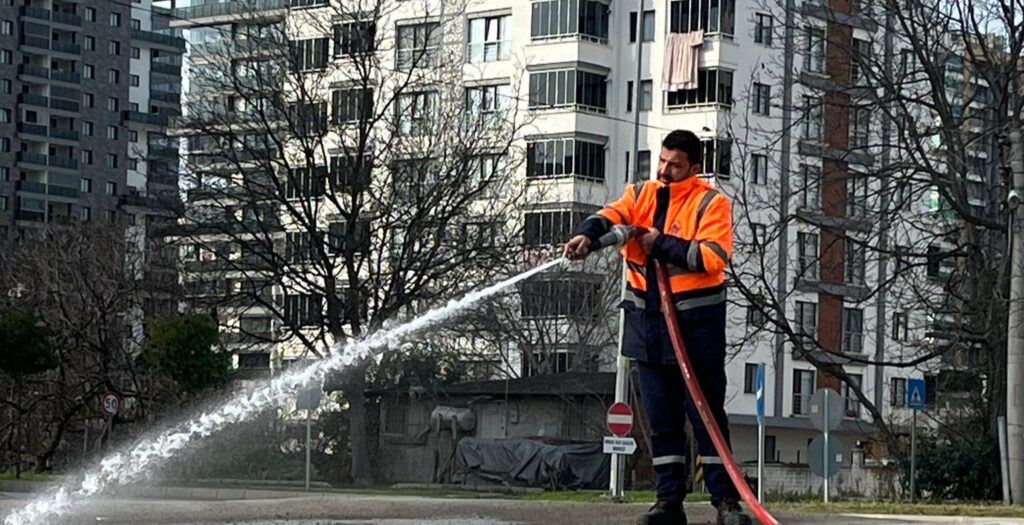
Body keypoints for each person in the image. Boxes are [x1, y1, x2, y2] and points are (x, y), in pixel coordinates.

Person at [563, 130, 751, 525]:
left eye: (675, 165)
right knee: (661, 419)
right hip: (646, 326)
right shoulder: (639, 195)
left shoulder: (710, 204)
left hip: (694, 329)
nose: (664, 171)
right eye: (662, 161)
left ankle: (725, 502)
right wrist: (586, 235)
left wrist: (659, 242)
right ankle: (669, 503)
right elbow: (609, 216)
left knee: (706, 416)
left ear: (694, 169)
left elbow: (711, 257)